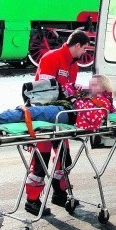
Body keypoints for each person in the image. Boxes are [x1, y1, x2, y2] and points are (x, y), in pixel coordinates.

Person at [25, 29, 90, 215]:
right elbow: (44, 92)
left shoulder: (73, 64)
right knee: (41, 161)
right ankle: (32, 201)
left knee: (64, 158)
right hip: (45, 116)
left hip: (60, 117)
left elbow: (67, 90)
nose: (84, 53)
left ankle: (59, 194)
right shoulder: (51, 58)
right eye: (84, 48)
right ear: (76, 46)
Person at [0, 74, 115, 130]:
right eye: (90, 84)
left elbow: (90, 117)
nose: (90, 87)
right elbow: (65, 89)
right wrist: (75, 88)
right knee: (29, 111)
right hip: (64, 110)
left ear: (103, 87)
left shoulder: (103, 102)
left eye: (94, 85)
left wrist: (75, 99)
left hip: (67, 114)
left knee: (31, 112)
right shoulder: (91, 97)